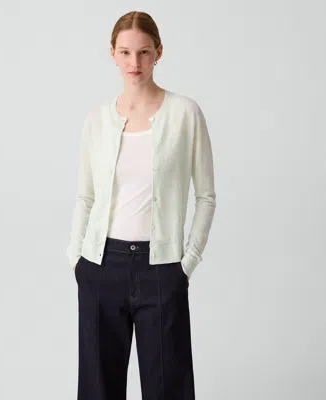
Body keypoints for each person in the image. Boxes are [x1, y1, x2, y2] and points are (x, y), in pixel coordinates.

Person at [66, 10, 216, 400]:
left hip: (162, 269)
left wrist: (187, 263)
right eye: (126, 52)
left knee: (168, 388)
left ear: (158, 52)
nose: (135, 62)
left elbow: (206, 196)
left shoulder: (185, 114)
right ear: (113, 54)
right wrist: (76, 258)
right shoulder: (97, 120)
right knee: (98, 389)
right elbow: (85, 196)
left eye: (144, 52)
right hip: (102, 265)